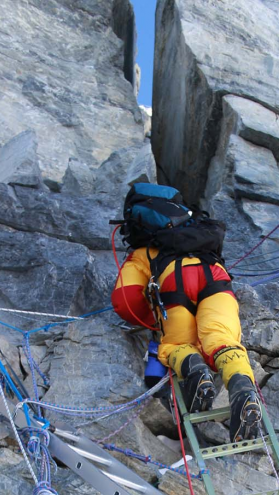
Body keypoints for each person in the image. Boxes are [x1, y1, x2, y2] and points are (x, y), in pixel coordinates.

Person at [111, 184, 262, 443]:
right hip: (215, 278)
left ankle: (195, 373)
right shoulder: (197, 233)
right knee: (221, 340)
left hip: (173, 283)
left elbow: (124, 300)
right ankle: (242, 386)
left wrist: (153, 319)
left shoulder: (143, 252)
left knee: (175, 345)